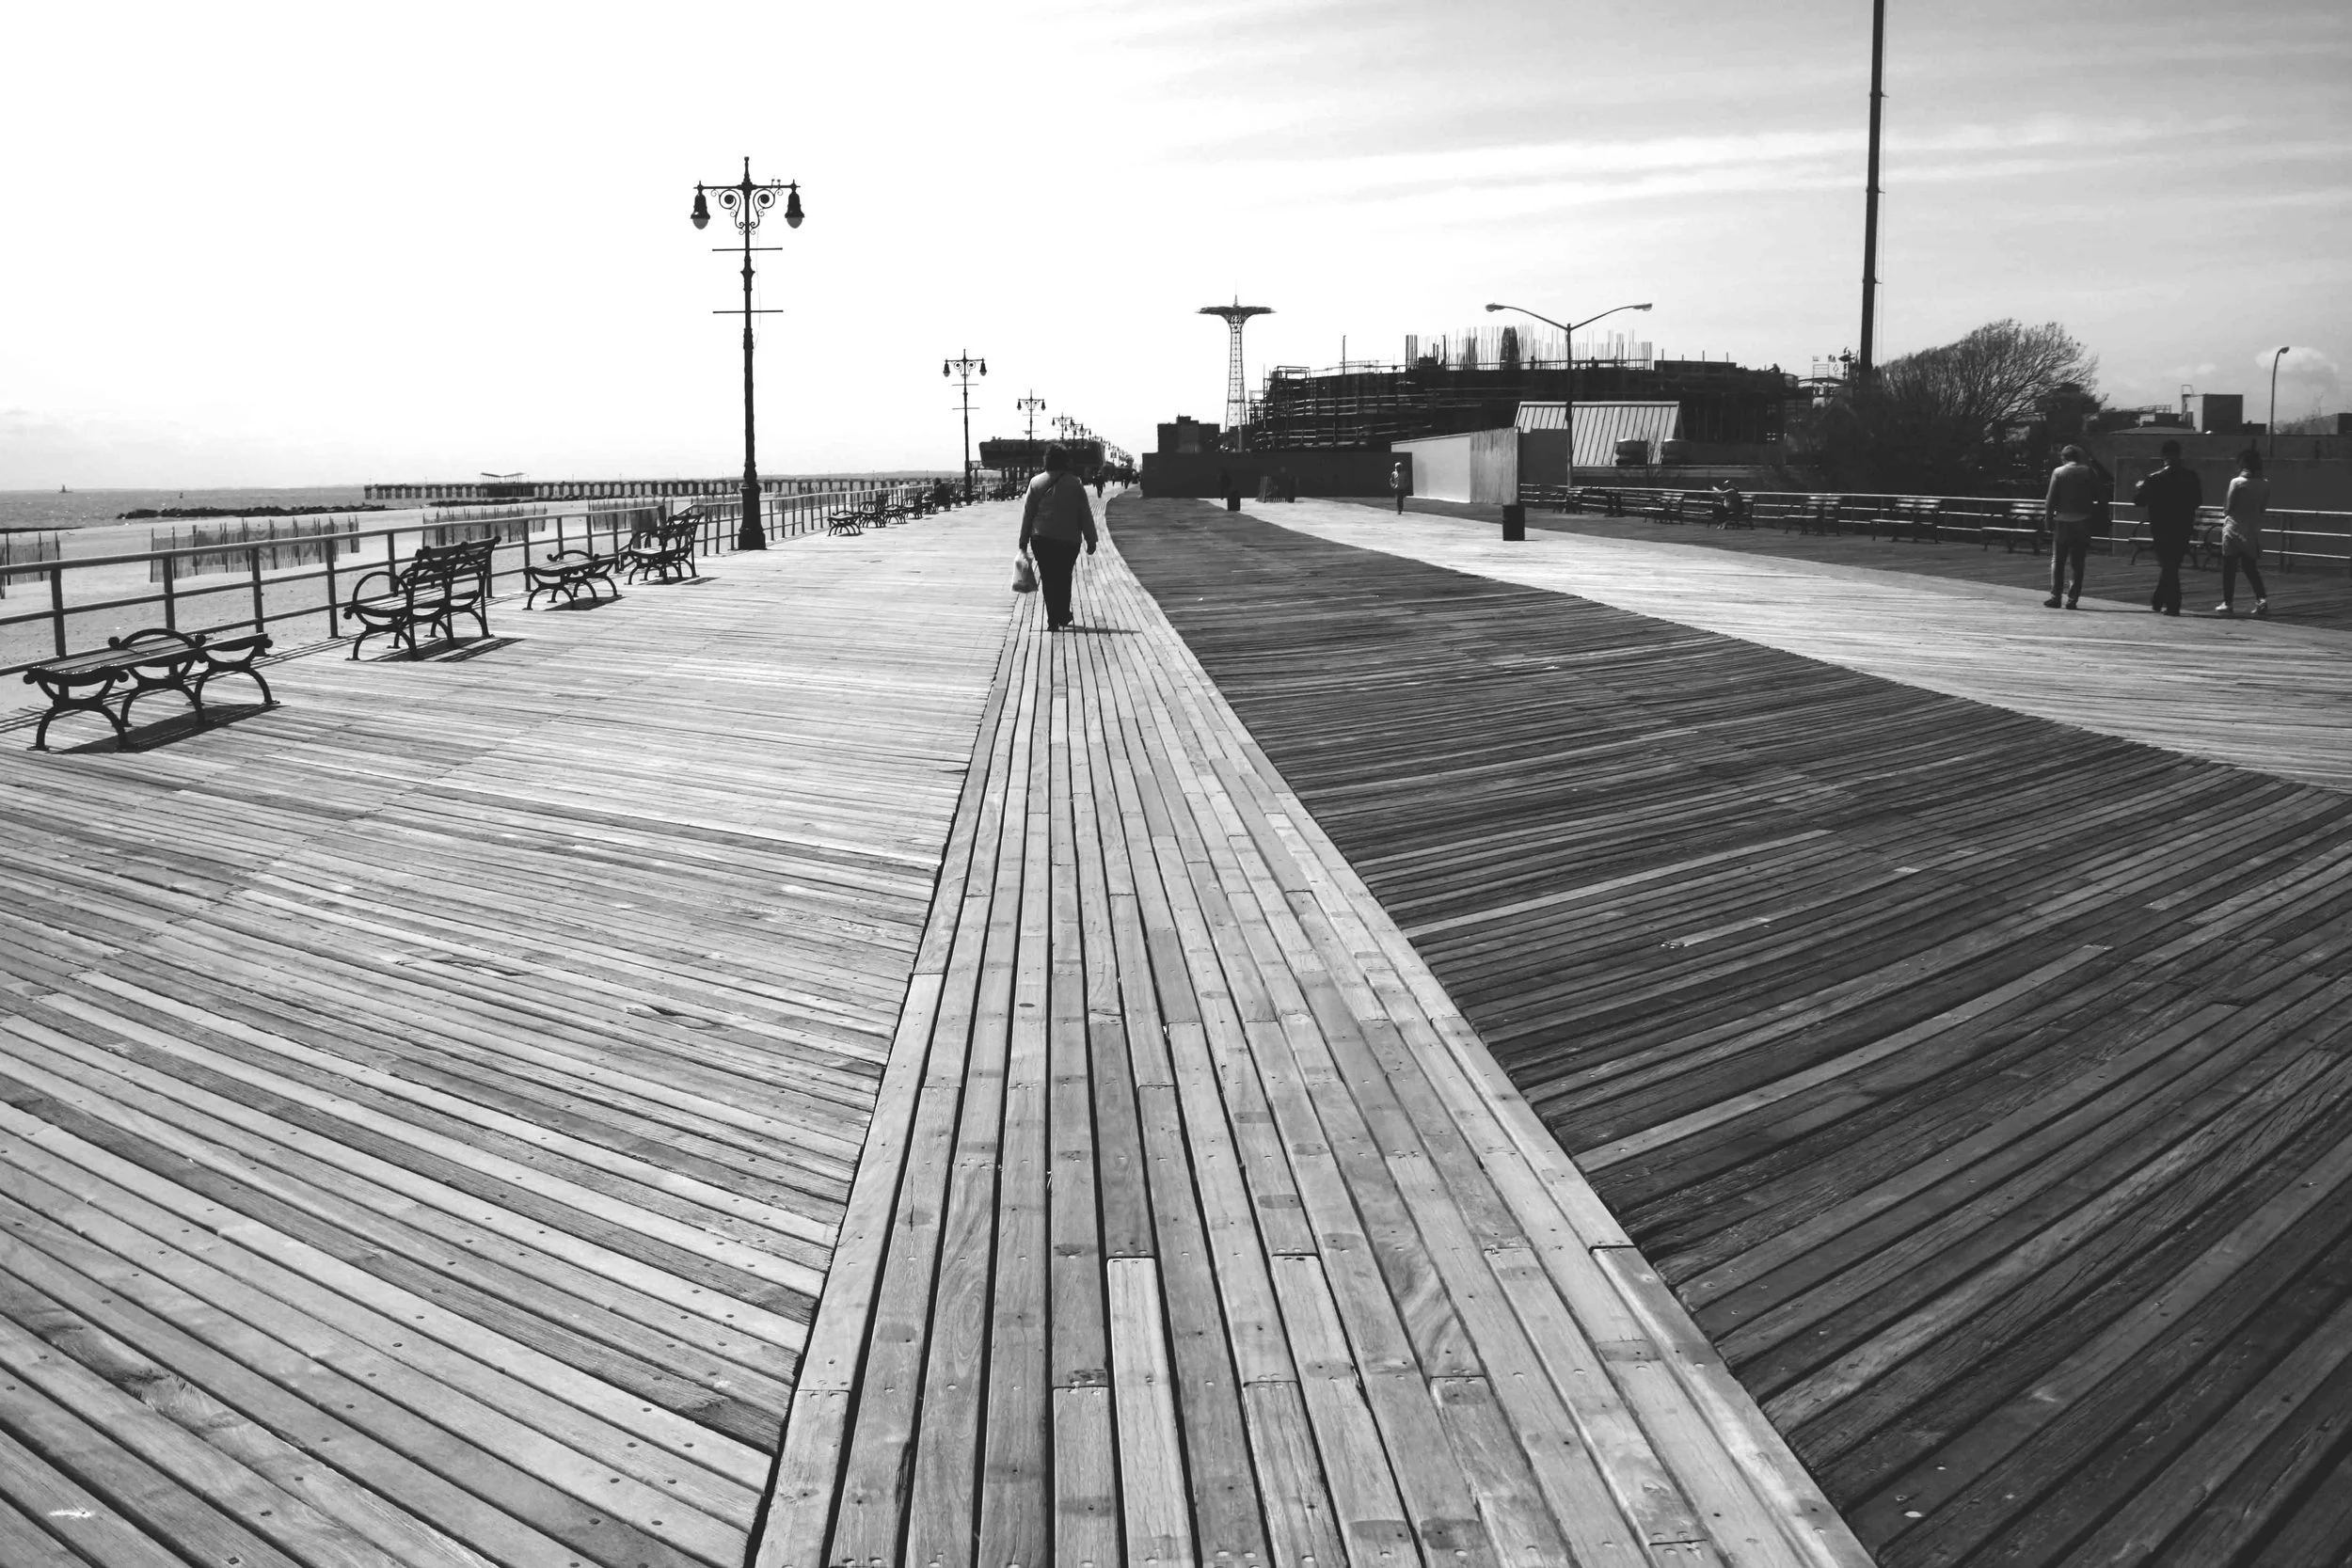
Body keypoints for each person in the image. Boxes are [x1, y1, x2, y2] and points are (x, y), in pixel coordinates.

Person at [1018, 443, 1098, 631]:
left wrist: (1023, 539)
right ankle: (1062, 613)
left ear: (1046, 461)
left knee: (1048, 577)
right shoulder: (1075, 483)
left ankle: (1052, 619)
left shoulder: (1035, 482)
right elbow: (1084, 512)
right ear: (1065, 461)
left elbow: (1028, 513)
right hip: (1068, 539)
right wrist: (1091, 538)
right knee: (1064, 576)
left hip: (1041, 538)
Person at [2131, 439, 2202, 615]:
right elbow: (2197, 501)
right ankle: (2159, 599)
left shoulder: (2154, 478)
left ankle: (2172, 604)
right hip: (2183, 525)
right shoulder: (2191, 477)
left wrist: (2139, 487)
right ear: (2179, 454)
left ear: (2163, 456)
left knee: (2167, 564)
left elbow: (2139, 501)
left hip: (2161, 526)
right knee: (2173, 564)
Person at [2042, 444, 2101, 609]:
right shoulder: (2088, 472)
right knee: (2078, 562)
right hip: (2083, 520)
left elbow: (2050, 499)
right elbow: (2099, 494)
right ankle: (2072, 599)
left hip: (2062, 520)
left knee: (2058, 560)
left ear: (2063, 457)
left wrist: (2048, 518)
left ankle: (2055, 597)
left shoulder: (2058, 472)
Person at [2217, 450, 2271, 618]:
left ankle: (2228, 603)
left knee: (2229, 568)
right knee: (2250, 568)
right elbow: (2262, 508)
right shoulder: (2265, 484)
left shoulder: (2236, 482)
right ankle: (2261, 599)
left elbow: (2228, 507)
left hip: (2233, 528)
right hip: (2251, 530)